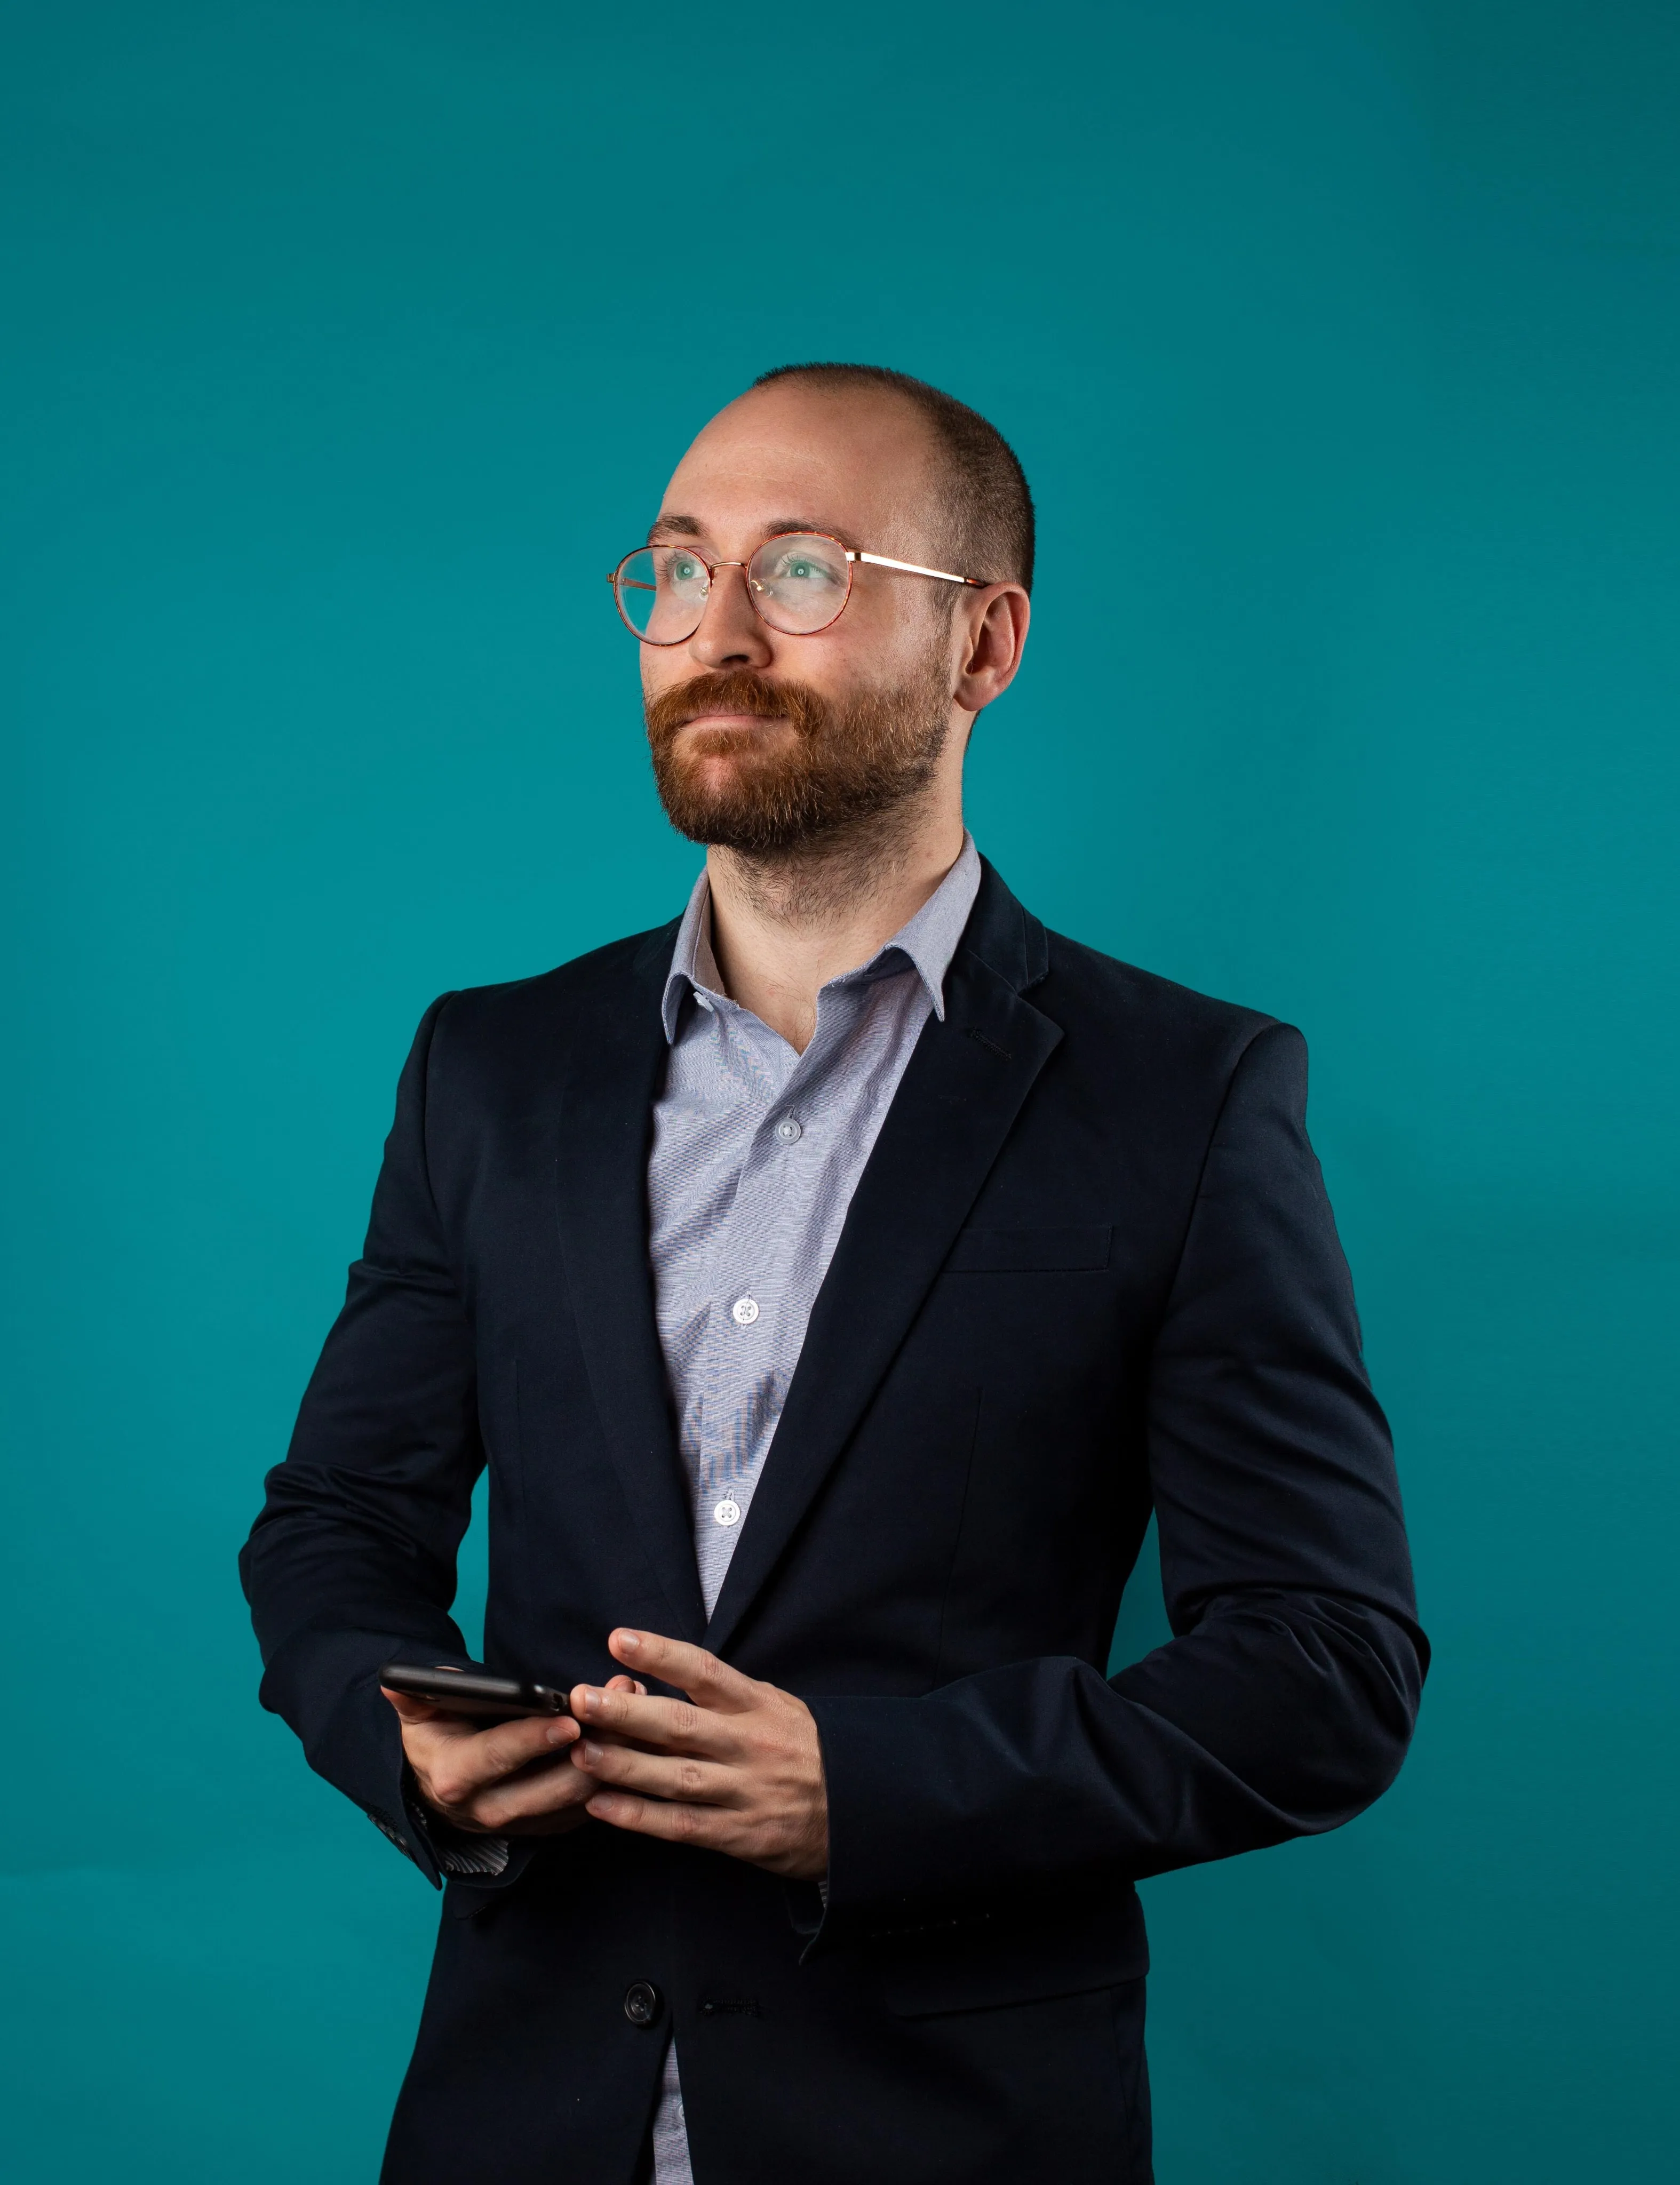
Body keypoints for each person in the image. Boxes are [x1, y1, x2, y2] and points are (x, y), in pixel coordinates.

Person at [241, 362, 1426, 2185]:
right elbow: (332, 1521)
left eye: (802, 570)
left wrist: (864, 1796)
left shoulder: (1185, 1098)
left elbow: (1323, 1665)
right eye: (676, 569)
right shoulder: (491, 1067)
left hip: (947, 2128)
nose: (712, 629)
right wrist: (404, 1730)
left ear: (982, 645)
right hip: (518, 2109)